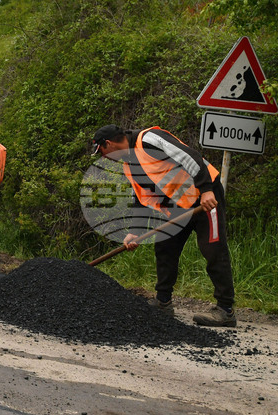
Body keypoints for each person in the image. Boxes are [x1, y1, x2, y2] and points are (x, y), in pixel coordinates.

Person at [92, 124, 236, 327]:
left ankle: (225, 310)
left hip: (204, 198)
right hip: (176, 206)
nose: (103, 157)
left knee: (213, 249)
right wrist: (134, 232)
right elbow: (142, 198)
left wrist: (206, 190)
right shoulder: (129, 164)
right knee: (165, 247)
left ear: (108, 144)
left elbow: (190, 157)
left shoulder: (149, 139)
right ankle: (163, 302)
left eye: (102, 152)